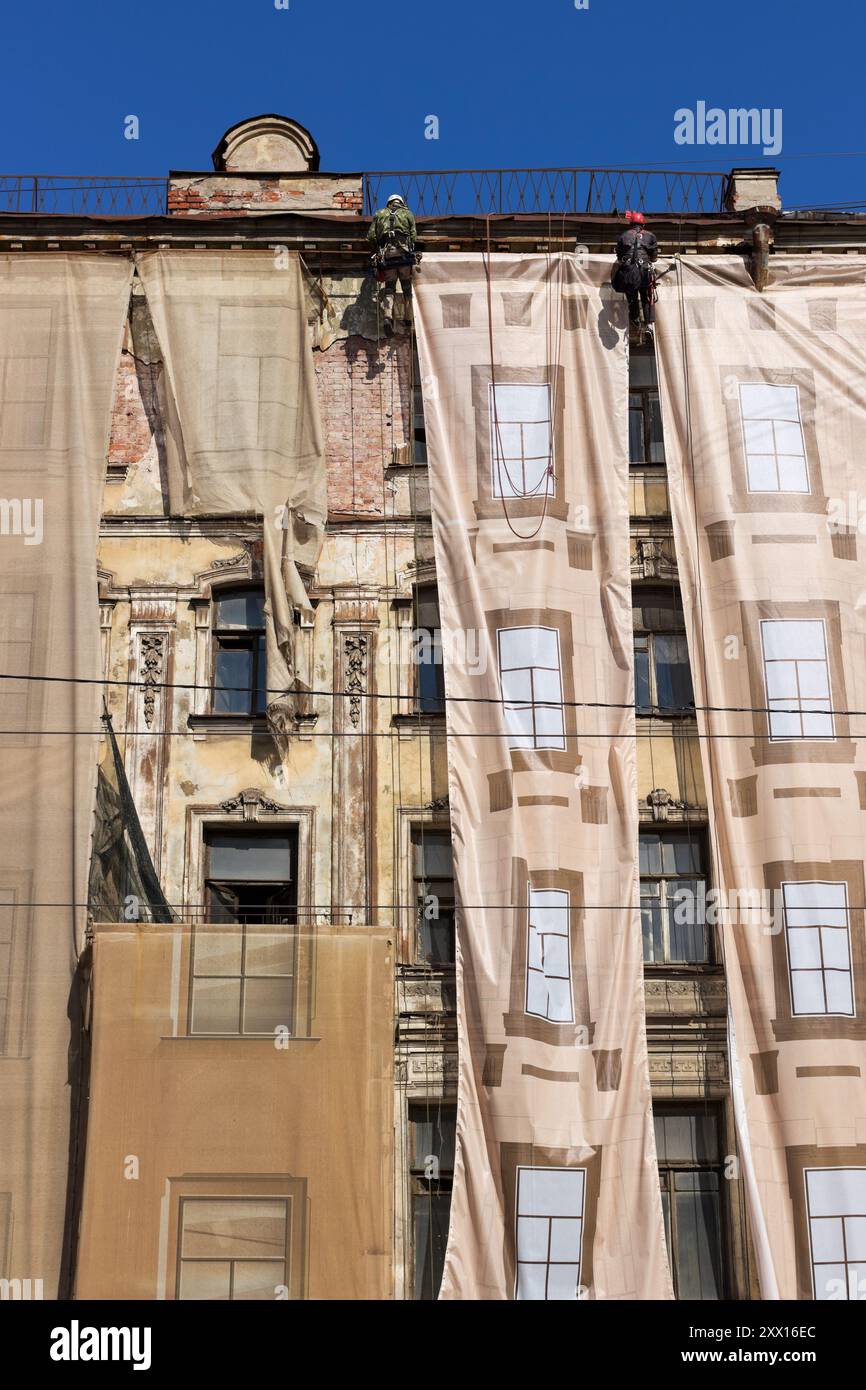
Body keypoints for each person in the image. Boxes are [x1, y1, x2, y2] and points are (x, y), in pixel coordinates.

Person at [367, 193, 418, 335]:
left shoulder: (380, 213)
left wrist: (377, 249)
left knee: (389, 287)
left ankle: (388, 317)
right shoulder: (408, 213)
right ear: (400, 202)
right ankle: (408, 318)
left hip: (387, 255)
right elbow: (413, 235)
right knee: (406, 286)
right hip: (404, 255)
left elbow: (371, 236)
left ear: (388, 203)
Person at [612, 211, 658, 326]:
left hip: (629, 270)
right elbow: (654, 256)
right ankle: (649, 323)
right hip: (644, 270)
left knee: (631, 295)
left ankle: (635, 319)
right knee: (647, 296)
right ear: (643, 224)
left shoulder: (624, 236)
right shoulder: (650, 236)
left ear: (631, 224)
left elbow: (619, 255)